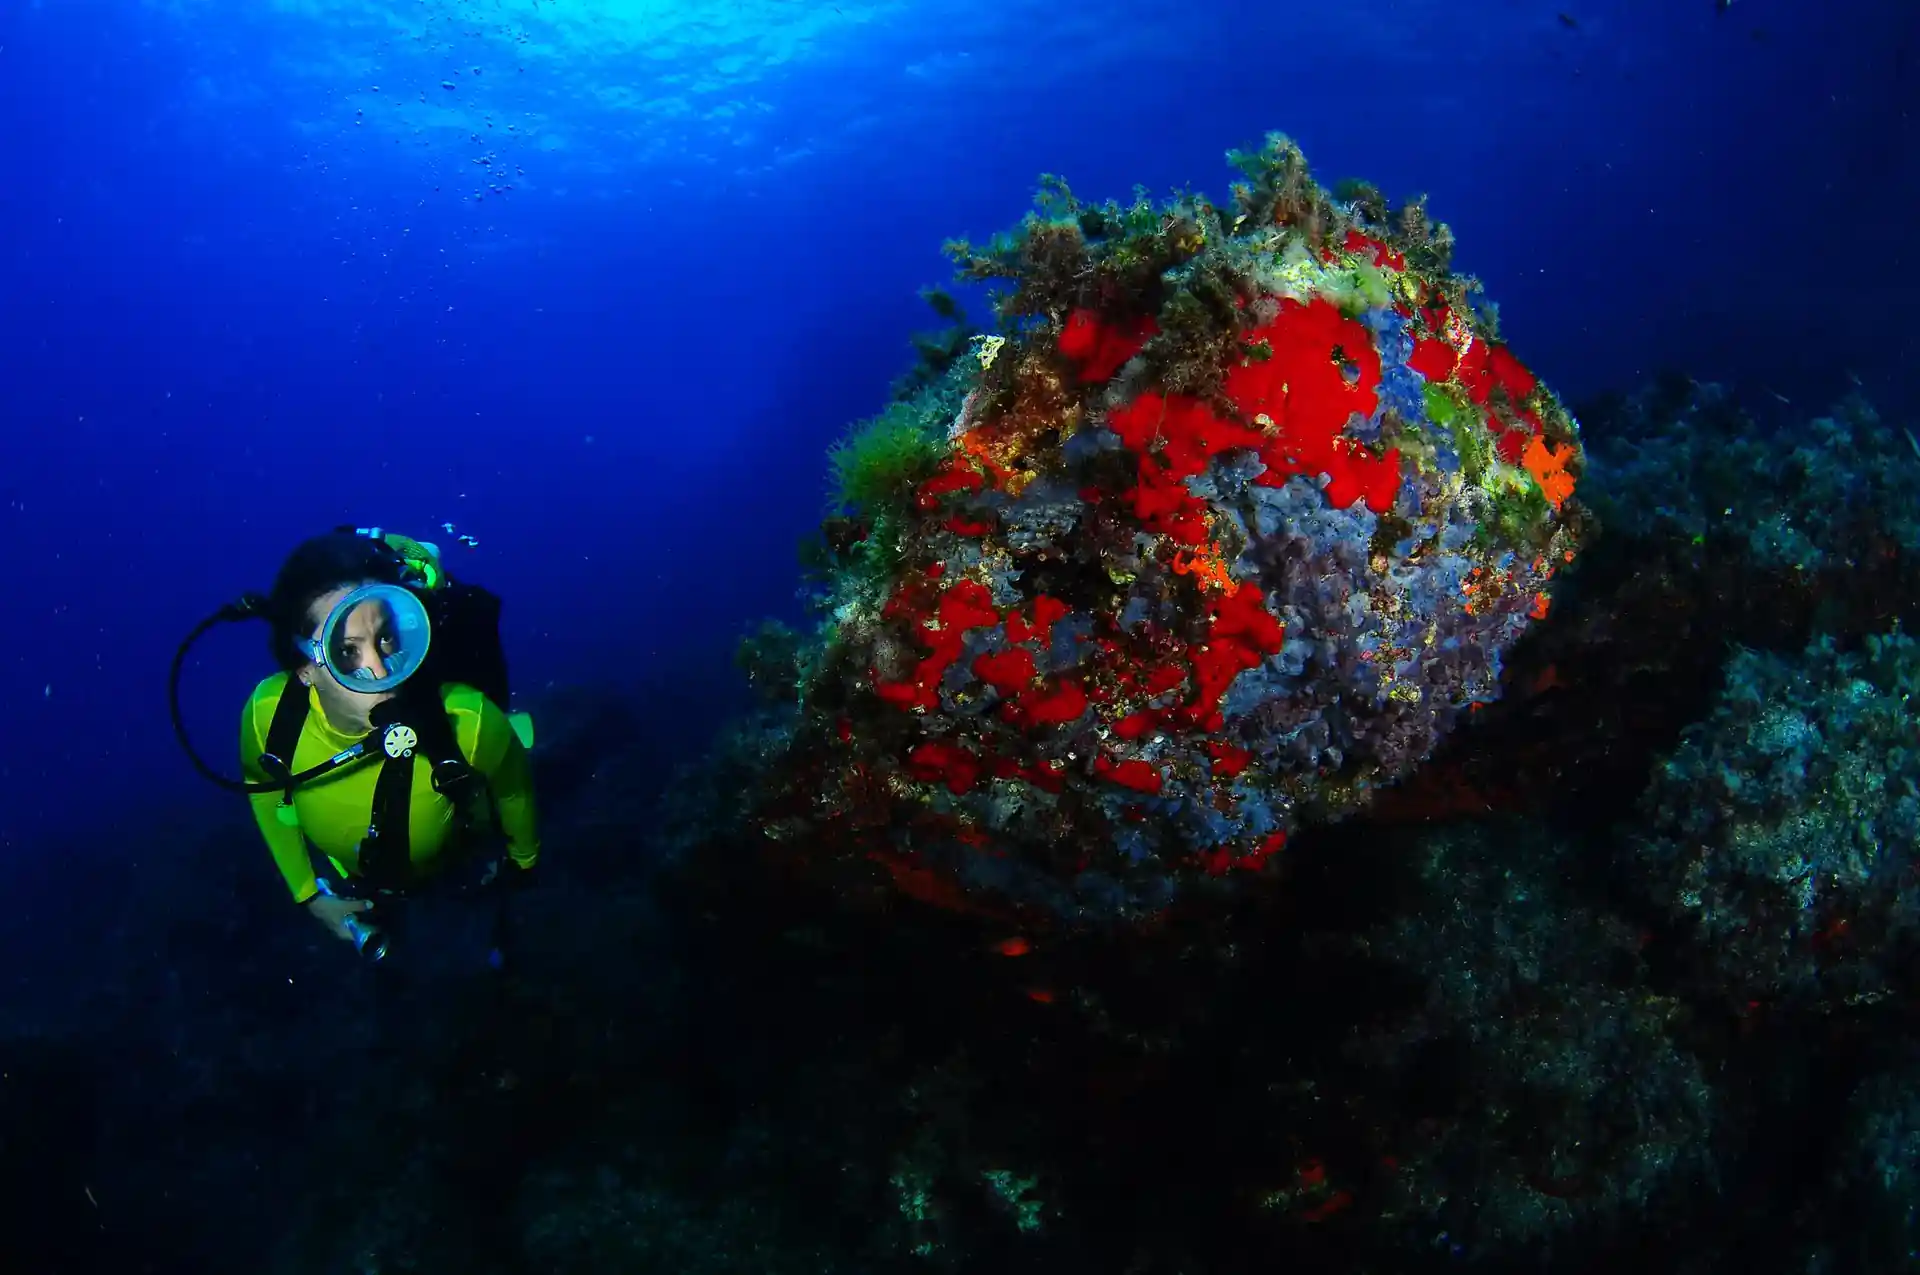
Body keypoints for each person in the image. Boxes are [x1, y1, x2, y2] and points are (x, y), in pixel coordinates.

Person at [218, 528, 539, 957]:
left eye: (386, 638)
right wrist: (309, 894)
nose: (383, 674)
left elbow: (513, 788)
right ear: (304, 668)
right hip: (363, 888)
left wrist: (524, 863)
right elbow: (263, 788)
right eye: (347, 652)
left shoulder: (469, 720)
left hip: (462, 861)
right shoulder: (268, 718)